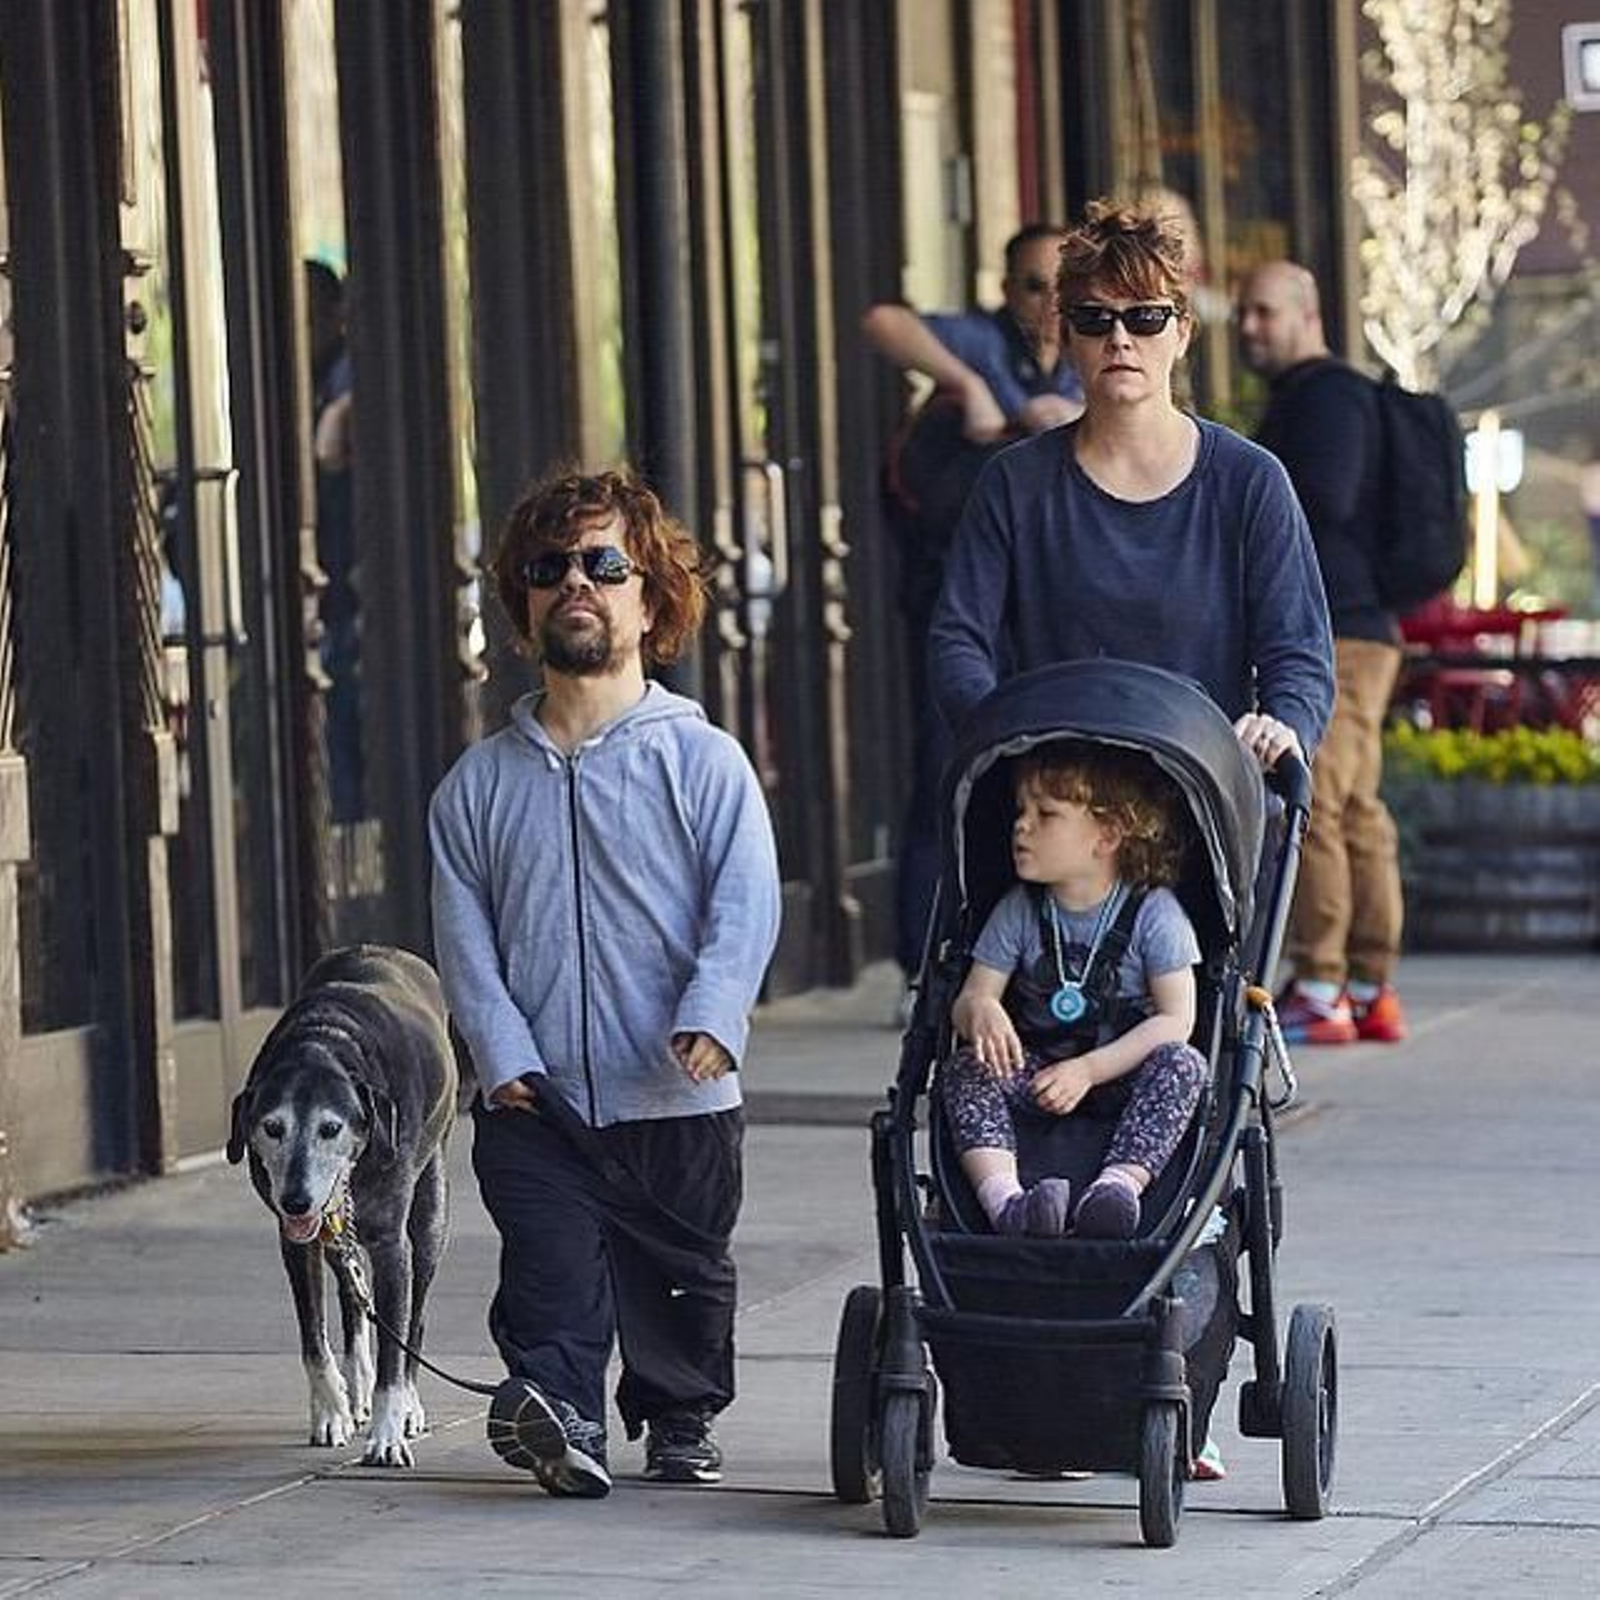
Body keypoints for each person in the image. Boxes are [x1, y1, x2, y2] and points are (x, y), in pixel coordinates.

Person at [429, 469, 781, 1500]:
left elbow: (746, 902)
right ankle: (558, 1408)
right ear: (522, 603)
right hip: (538, 1095)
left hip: (675, 1087)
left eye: (603, 564)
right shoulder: (476, 787)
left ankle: (679, 1414)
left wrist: (714, 1012)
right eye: (548, 569)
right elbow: (464, 941)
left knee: (684, 1272)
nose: (574, 583)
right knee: (549, 1272)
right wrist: (499, 1055)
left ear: (650, 596)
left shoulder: (704, 762)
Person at [928, 201, 1335, 789]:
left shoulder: (1250, 481)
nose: (1120, 338)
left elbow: (1298, 650)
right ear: (1065, 336)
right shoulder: (1014, 483)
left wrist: (1281, 728)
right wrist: (1004, 740)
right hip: (1054, 794)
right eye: (1094, 319)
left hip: (1205, 795)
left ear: (1183, 331)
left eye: (1145, 317)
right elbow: (959, 638)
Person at [865, 225, 1086, 997]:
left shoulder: (1097, 355)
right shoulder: (984, 344)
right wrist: (969, 386)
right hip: (959, 600)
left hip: (1053, 607)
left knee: (1057, 780)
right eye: (1033, 286)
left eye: (1066, 289)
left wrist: (1068, 422)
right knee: (947, 772)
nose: (1051, 306)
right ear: (1006, 289)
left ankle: (1044, 956)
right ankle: (922, 965)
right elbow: (884, 322)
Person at [1237, 260, 1407, 1045]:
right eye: (1243, 313)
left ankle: (1324, 985)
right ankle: (1369, 982)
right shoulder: (1333, 394)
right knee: (1358, 808)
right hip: (1366, 623)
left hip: (1338, 625)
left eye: (1264, 312)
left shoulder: (1326, 396)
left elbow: (1328, 498)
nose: (1248, 328)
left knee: (1322, 806)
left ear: (1309, 312)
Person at [943, 742, 1205, 1242]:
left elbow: (1177, 1019)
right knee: (965, 1067)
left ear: (1106, 835)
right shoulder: (1019, 910)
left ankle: (1117, 1188)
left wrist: (1089, 1070)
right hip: (1039, 1073)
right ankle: (1008, 1203)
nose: (1022, 825)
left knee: (1183, 1064)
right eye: (1021, 812)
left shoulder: (1155, 914)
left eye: (1046, 815)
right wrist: (979, 1009)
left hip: (1123, 1075)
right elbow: (974, 995)